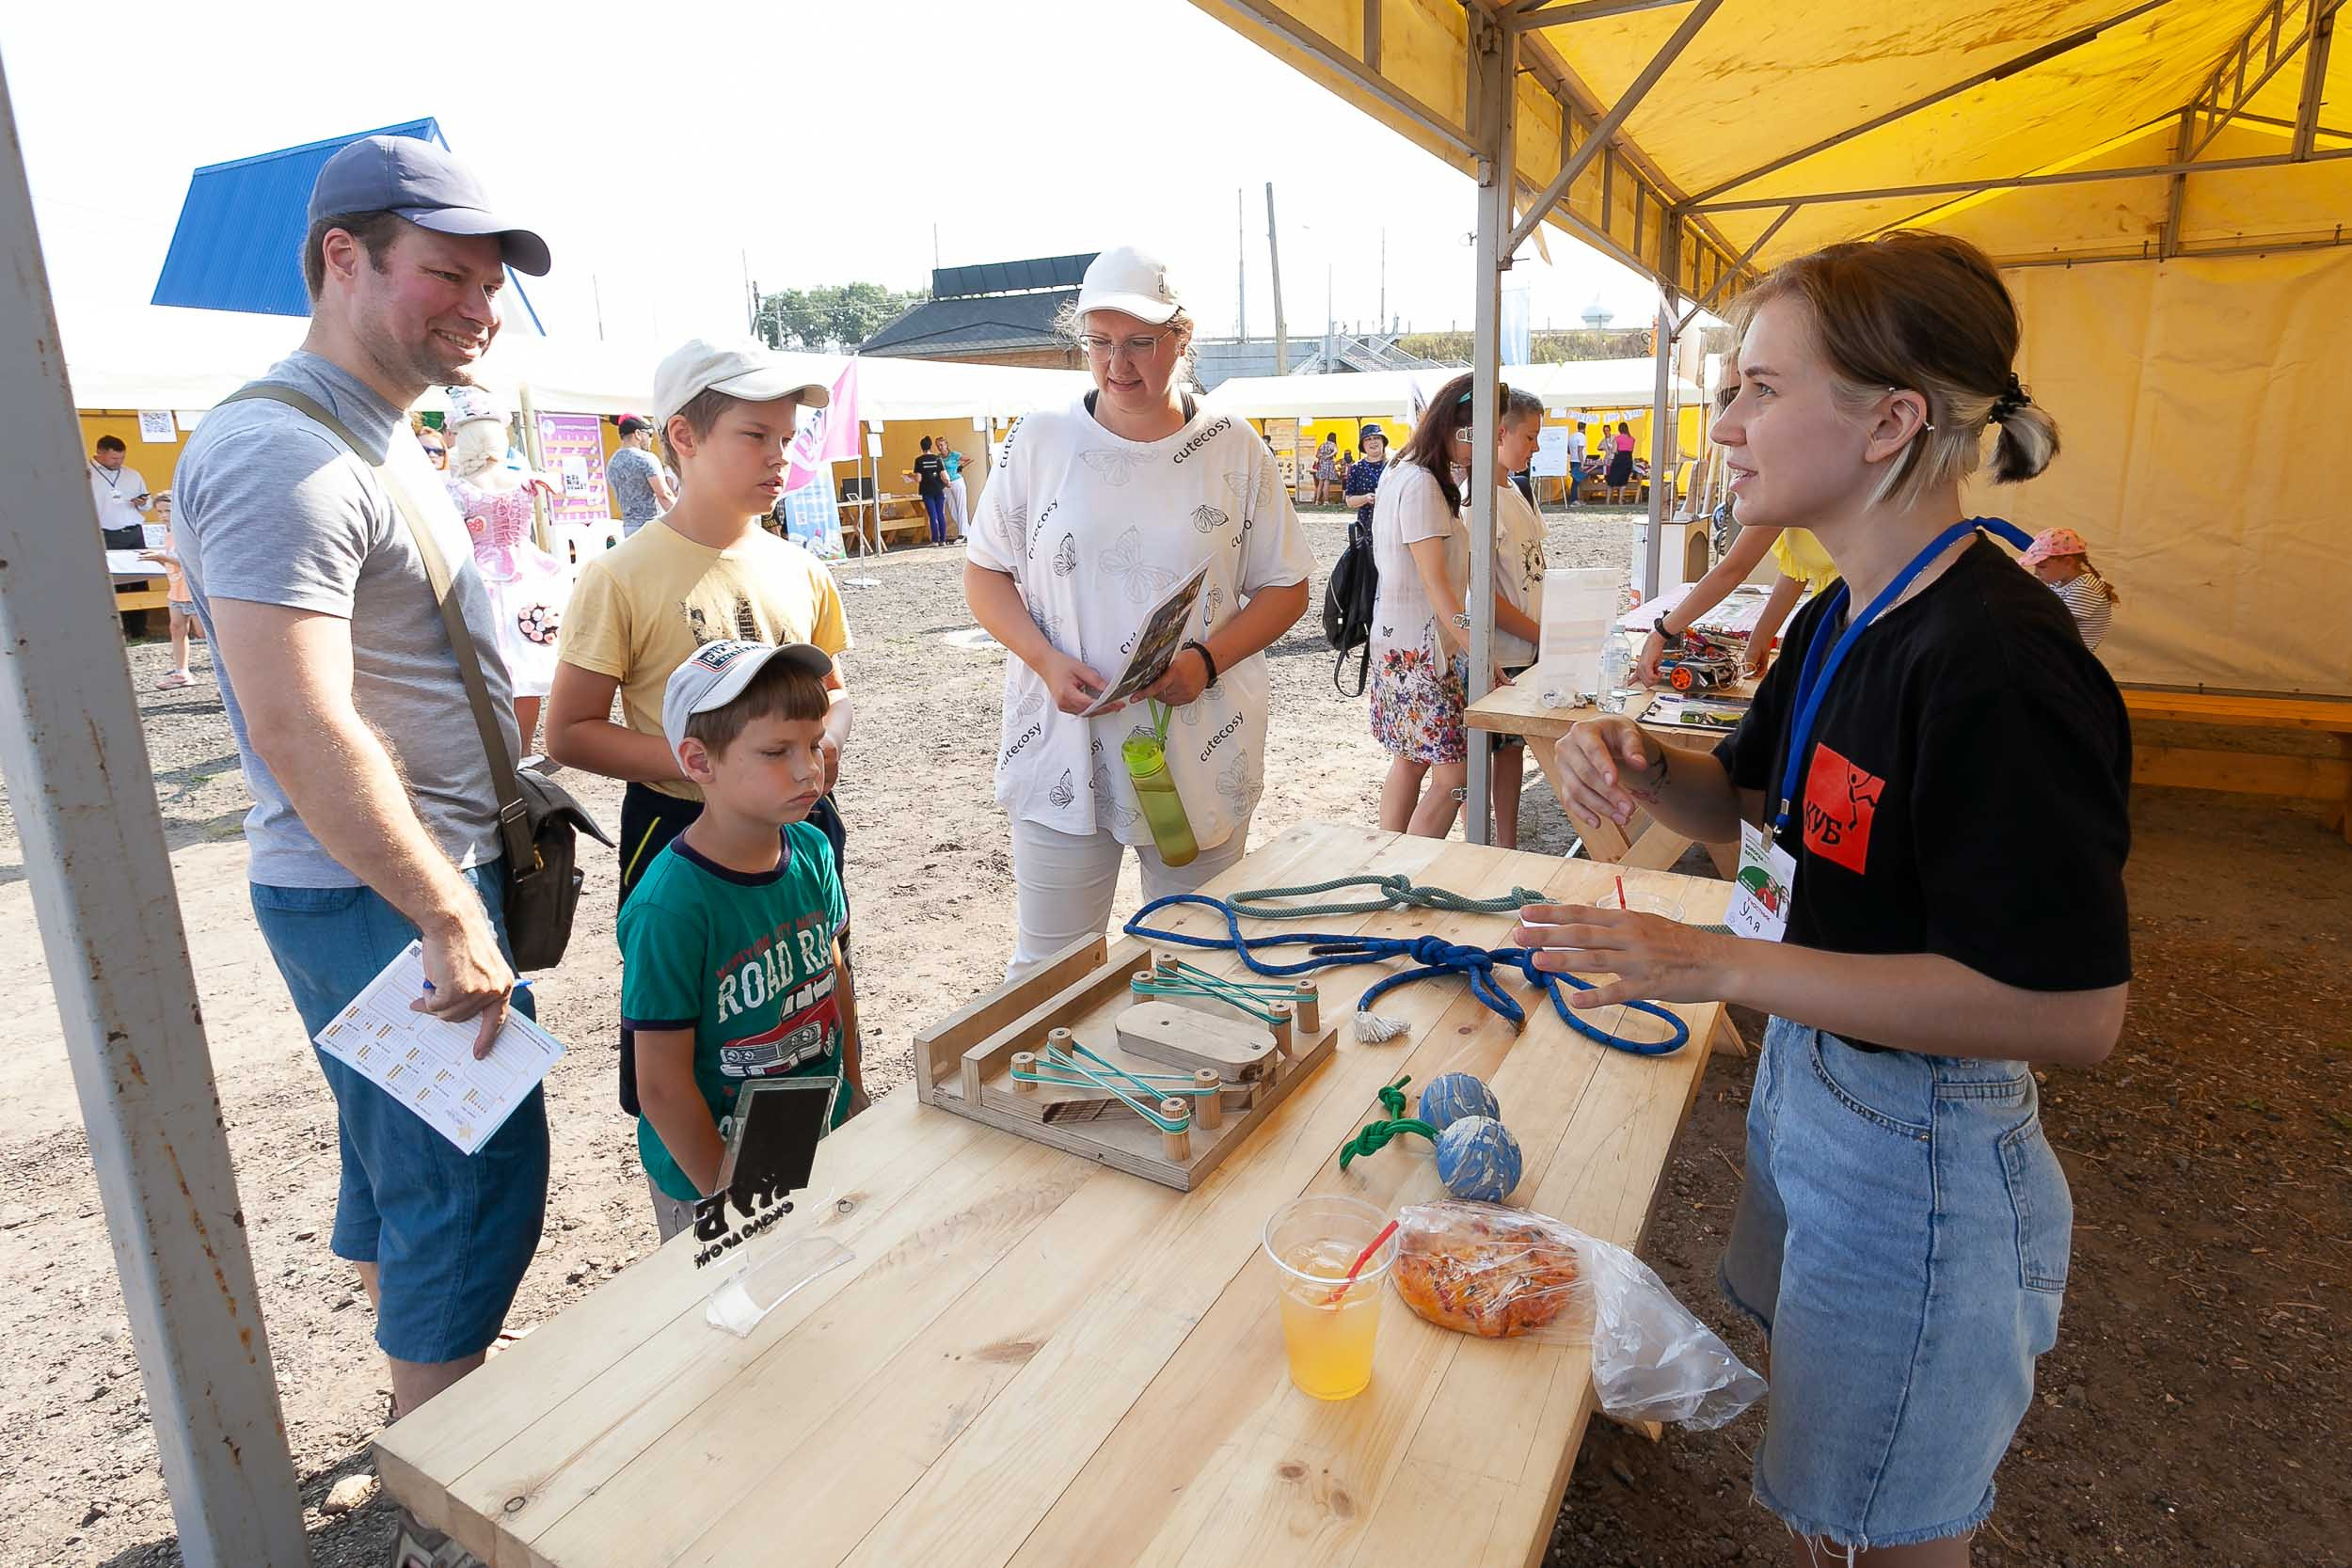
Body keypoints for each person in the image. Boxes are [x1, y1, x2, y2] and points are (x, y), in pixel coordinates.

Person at [1524, 230, 2127, 1567]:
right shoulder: (1837, 613)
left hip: (1923, 1147)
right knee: (1837, 1511)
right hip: (1825, 1083)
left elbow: (2073, 1009)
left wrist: (1721, 964)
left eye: (1759, 388)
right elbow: (1749, 801)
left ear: (1890, 422)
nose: (1726, 425)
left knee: (1884, 1534)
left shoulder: (1999, 661)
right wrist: (1645, 762)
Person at [170, 133, 554, 1467]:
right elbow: (296, 716)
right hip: (387, 891)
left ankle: (418, 1420)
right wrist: (447, 905)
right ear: (344, 256)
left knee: (403, 1166)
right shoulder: (288, 454)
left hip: (393, 884)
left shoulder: (364, 434)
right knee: (471, 1184)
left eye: (492, 282)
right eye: (448, 273)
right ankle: (445, 1484)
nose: (479, 306)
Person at [962, 244, 1312, 982]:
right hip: (1063, 740)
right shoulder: (1040, 439)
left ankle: (1188, 1096)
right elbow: (985, 572)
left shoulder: (1233, 446)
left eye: (1141, 343)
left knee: (1198, 959)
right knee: (1050, 970)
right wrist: (1043, 658)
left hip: (1199, 739)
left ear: (1182, 340)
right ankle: (1052, 1098)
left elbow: (1287, 586)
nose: (1118, 364)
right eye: (1100, 343)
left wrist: (1206, 661)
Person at [543, 339, 860, 1117]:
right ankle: (700, 1187)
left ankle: (831, 1127)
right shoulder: (619, 575)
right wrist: (707, 766)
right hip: (678, 829)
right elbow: (570, 731)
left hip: (799, 825)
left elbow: (836, 692)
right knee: (687, 1030)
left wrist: (823, 743)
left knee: (812, 989)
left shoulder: (802, 567)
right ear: (682, 436)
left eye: (786, 439)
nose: (779, 456)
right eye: (755, 435)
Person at [621, 641, 861, 1241]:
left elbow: (835, 975)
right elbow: (659, 1083)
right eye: (777, 751)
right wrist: (727, 1192)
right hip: (713, 1167)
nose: (811, 767)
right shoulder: (670, 906)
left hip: (815, 1128)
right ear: (699, 762)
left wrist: (852, 1089)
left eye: (813, 742)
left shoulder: (809, 850)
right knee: (731, 1313)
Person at [1368, 372, 1510, 839]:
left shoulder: (1399, 469)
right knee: (1454, 778)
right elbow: (1441, 591)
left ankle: (1384, 863)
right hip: (1424, 651)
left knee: (1409, 761)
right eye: (1473, 436)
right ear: (1447, 425)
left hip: (1396, 643)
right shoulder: (1425, 485)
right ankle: (1405, 871)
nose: (1479, 448)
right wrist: (1480, 650)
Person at [441, 385, 570, 754]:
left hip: (479, 580)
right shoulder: (525, 482)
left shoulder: (459, 490)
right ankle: (524, 751)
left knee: (486, 670)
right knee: (528, 668)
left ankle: (497, 754)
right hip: (529, 579)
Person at [1636, 521, 1836, 685]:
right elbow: (1795, 569)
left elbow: (1732, 570)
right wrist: (1761, 637)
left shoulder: (1790, 487)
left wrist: (1660, 635)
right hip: (1830, 626)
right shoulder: (1789, 491)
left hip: (1855, 633)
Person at [1486, 388, 1548, 848]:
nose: (1535, 447)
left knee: (1512, 753)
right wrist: (1541, 635)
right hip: (1505, 651)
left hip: (1527, 647)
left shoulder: (1515, 490)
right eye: (1529, 437)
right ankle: (1486, 844)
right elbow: (1483, 595)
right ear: (1501, 431)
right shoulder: (1481, 498)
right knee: (1487, 753)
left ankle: (1505, 843)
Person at [138, 491, 205, 689]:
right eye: (160, 512)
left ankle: (227, 673)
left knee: (204, 633)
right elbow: (172, 565)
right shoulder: (167, 536)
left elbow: (192, 563)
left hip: (193, 590)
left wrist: (162, 558)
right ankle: (181, 672)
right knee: (176, 629)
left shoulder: (188, 534)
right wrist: (160, 560)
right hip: (176, 590)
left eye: (168, 510)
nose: (164, 516)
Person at [2020, 528, 2119, 651]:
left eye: (2042, 567)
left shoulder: (2086, 588)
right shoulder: (2058, 583)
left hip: (2068, 659)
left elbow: (2051, 624)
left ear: (2067, 562)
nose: (2036, 572)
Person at [607, 412, 675, 537]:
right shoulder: (646, 458)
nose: (651, 439)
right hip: (651, 527)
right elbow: (664, 495)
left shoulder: (612, 463)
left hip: (628, 529)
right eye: (649, 434)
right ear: (637, 434)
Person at [88, 435, 150, 548]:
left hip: (137, 532)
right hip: (106, 534)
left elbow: (148, 505)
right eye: (114, 458)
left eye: (122, 458)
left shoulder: (132, 475)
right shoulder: (86, 474)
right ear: (99, 452)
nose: (119, 462)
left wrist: (143, 503)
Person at [906, 436, 949, 546]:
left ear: (921, 447)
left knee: (932, 515)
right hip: (938, 489)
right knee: (941, 514)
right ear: (931, 446)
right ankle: (943, 540)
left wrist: (911, 476)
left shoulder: (919, 460)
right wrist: (947, 483)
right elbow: (944, 475)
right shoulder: (938, 459)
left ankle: (935, 540)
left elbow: (919, 478)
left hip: (927, 490)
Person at [1342, 424, 1387, 526]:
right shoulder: (1356, 468)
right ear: (1363, 445)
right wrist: (1366, 498)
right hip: (1367, 522)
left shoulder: (1394, 465)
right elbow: (1349, 501)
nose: (1373, 442)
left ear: (1383, 441)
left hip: (1392, 521)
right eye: (1368, 439)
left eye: (1377, 438)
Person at [938, 433, 971, 542]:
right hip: (946, 484)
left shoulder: (954, 455)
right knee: (952, 509)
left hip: (957, 481)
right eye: (938, 445)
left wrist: (961, 467)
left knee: (961, 506)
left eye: (942, 445)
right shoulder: (938, 458)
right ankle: (968, 532)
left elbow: (969, 459)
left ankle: (963, 534)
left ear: (946, 445)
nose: (940, 447)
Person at [1604, 419, 1637, 503]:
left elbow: (1614, 450)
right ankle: (1620, 500)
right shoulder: (1632, 439)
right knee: (1624, 481)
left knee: (1611, 480)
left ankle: (1607, 501)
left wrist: (1616, 450)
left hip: (1619, 460)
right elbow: (1631, 450)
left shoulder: (1617, 438)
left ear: (1619, 430)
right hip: (1628, 460)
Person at [1566, 420, 1589, 507]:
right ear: (1584, 428)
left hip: (1572, 460)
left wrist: (1573, 453)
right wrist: (1583, 463)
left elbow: (1568, 450)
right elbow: (1580, 450)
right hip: (1579, 461)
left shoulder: (1572, 436)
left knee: (1577, 481)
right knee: (1576, 482)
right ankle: (1574, 500)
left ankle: (1578, 499)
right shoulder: (1582, 436)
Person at [1314, 431, 1340, 503]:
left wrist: (1322, 457)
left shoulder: (1322, 444)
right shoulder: (1333, 444)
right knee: (1326, 482)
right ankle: (1326, 501)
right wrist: (1329, 456)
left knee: (1320, 483)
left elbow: (1317, 455)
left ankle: (1317, 500)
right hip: (1329, 464)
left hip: (1322, 464)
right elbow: (1335, 451)